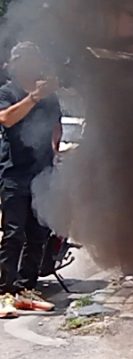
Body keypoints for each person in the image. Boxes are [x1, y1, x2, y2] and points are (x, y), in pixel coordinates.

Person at [0, 42, 61, 318]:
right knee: (14, 234)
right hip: (14, 173)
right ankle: (5, 293)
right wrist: (34, 97)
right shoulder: (7, 92)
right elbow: (6, 119)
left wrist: (54, 152)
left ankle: (26, 289)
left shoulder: (49, 96)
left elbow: (56, 127)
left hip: (42, 172)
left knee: (39, 234)